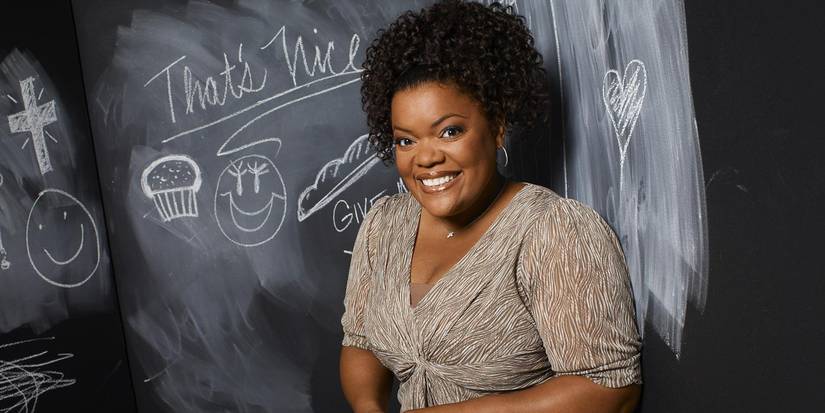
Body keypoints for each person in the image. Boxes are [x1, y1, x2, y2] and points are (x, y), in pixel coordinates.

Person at [339, 1, 642, 412]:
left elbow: (610, 390)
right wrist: (368, 407)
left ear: (497, 127)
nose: (425, 158)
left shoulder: (553, 231)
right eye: (406, 140)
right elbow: (359, 341)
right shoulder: (383, 226)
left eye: (449, 131)